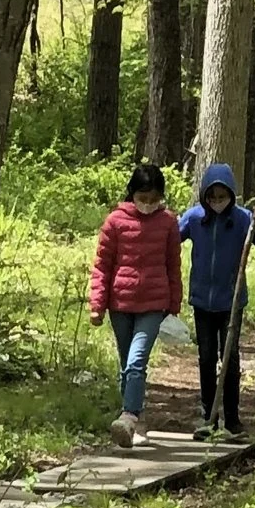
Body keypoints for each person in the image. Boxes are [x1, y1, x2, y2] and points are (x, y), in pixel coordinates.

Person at [177, 161, 255, 439]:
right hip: (202, 301)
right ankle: (208, 417)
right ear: (205, 197)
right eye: (212, 197)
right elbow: (170, 237)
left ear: (231, 197)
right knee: (206, 358)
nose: (217, 202)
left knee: (230, 359)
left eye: (222, 197)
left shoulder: (244, 219)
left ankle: (233, 419)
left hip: (231, 302)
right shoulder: (195, 218)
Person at [88, 160, 182, 447]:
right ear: (132, 194)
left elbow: (173, 265)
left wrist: (174, 304)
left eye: (154, 200)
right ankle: (130, 424)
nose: (148, 205)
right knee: (125, 365)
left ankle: (129, 417)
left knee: (136, 362)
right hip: (121, 304)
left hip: (154, 304)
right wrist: (97, 303)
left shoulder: (168, 223)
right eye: (143, 199)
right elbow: (102, 266)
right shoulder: (114, 222)